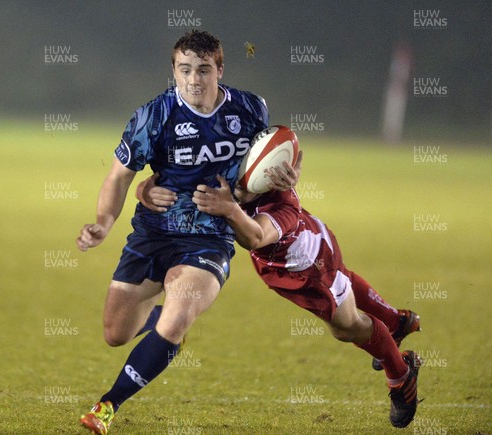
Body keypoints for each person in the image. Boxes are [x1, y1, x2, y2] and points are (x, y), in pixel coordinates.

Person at [75, 30, 292, 434]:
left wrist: (283, 175)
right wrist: (103, 223)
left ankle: (107, 405)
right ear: (174, 70)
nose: (194, 79)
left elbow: (262, 169)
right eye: (185, 69)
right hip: (153, 234)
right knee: (115, 333)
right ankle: (162, 330)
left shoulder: (249, 109)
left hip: (210, 239)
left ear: (220, 70)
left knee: (176, 320)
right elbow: (119, 177)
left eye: (204, 70)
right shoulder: (152, 116)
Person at [138, 151, 422, 429]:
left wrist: (229, 207)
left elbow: (255, 237)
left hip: (308, 269)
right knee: (344, 281)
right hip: (293, 253)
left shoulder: (282, 205)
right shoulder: (237, 165)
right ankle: (396, 322)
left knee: (346, 327)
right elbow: (285, 143)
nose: (236, 184)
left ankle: (400, 374)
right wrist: (144, 190)